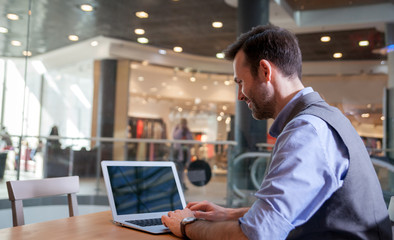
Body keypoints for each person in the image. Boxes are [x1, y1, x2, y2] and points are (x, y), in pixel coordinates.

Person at [161, 25, 392, 239]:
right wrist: (229, 214)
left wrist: (186, 226)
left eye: (240, 82)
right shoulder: (327, 117)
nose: (240, 95)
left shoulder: (306, 130)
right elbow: (298, 208)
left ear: (264, 71)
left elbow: (258, 234)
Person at [173, 118, 194, 190]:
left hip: (185, 153)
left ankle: (181, 183)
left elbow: (191, 140)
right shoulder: (177, 128)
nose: (184, 125)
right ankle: (178, 184)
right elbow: (175, 137)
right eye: (183, 123)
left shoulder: (187, 131)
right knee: (178, 169)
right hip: (178, 153)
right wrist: (181, 129)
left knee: (182, 169)